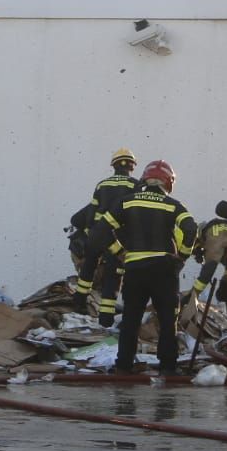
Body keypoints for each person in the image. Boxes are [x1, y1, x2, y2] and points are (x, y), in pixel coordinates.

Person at [91, 160, 197, 374]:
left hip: (135, 269)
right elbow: (191, 228)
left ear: (144, 179)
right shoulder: (174, 205)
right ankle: (168, 368)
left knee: (131, 319)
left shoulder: (126, 202)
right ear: (168, 182)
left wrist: (120, 252)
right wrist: (182, 257)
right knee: (168, 320)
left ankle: (124, 366)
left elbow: (100, 231)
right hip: (165, 270)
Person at [70, 148, 139, 311]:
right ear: (132, 166)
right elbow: (136, 213)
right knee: (114, 272)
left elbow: (92, 210)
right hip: (117, 236)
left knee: (89, 266)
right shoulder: (135, 185)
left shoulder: (102, 184)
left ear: (114, 166)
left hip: (97, 233)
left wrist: (88, 231)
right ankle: (107, 313)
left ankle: (79, 302)